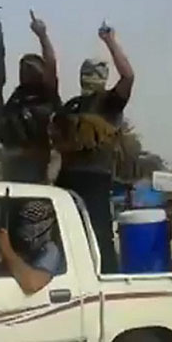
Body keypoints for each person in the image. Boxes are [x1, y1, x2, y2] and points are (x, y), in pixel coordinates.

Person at [52, 22, 134, 274]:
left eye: (94, 72)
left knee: (98, 232)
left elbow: (128, 76)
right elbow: (57, 144)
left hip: (96, 177)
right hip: (68, 176)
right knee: (65, 232)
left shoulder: (109, 102)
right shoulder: (72, 105)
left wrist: (110, 42)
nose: (89, 77)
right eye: (87, 72)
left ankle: (106, 279)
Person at [0, 10, 60, 183]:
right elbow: (0, 118)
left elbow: (51, 64)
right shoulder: (18, 95)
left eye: (31, 68)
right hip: (13, 161)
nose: (26, 71)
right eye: (23, 68)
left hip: (38, 161)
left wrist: (42, 36)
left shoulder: (46, 93)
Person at [0, 200, 63, 294]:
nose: (25, 227)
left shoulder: (50, 250)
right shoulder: (28, 248)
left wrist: (6, 248)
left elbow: (32, 283)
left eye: (30, 223)